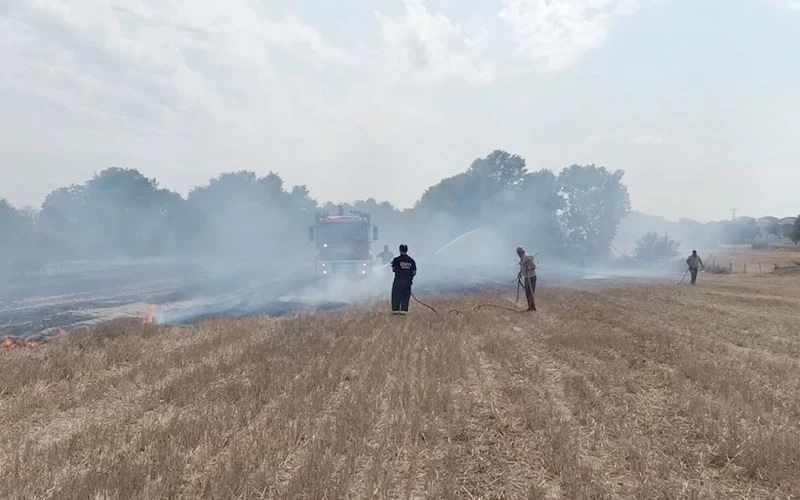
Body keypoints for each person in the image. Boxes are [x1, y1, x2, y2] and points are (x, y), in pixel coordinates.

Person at [391, 244, 416, 314]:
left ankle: (395, 311)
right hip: (407, 282)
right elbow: (414, 272)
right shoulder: (412, 261)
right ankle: (404, 311)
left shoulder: (396, 260)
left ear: (400, 250)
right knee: (405, 297)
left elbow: (393, 269)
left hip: (398, 282)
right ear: (407, 250)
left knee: (396, 296)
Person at [516, 246, 537, 311]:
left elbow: (534, 266)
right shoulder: (522, 258)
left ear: (522, 252)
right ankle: (530, 306)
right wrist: (520, 273)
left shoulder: (527, 257)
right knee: (527, 292)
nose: (518, 254)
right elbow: (522, 267)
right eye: (517, 253)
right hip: (526, 277)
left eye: (519, 253)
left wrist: (529, 268)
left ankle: (532, 307)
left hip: (531, 277)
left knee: (531, 292)